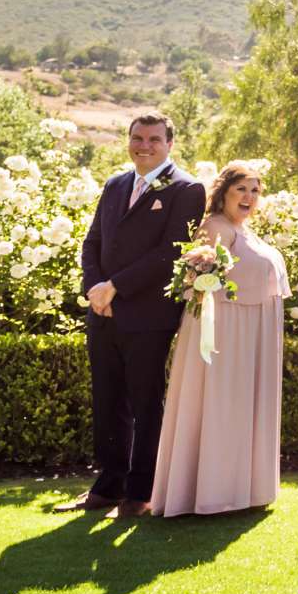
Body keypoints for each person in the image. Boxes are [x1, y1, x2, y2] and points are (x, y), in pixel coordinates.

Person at [58, 113, 205, 518]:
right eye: (137, 138)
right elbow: (93, 242)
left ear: (170, 144)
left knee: (145, 403)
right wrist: (95, 289)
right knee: (107, 402)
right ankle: (107, 487)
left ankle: (140, 494)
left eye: (154, 139)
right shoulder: (115, 183)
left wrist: (116, 286)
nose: (144, 145)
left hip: (148, 315)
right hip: (102, 311)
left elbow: (170, 253)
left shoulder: (187, 188)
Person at [147, 160, 288, 517]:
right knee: (220, 405)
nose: (249, 196)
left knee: (241, 406)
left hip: (251, 333)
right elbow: (199, 279)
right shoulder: (215, 227)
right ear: (223, 192)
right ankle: (214, 492)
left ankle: (244, 490)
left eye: (255, 190)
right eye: (241, 188)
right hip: (224, 332)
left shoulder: (247, 232)